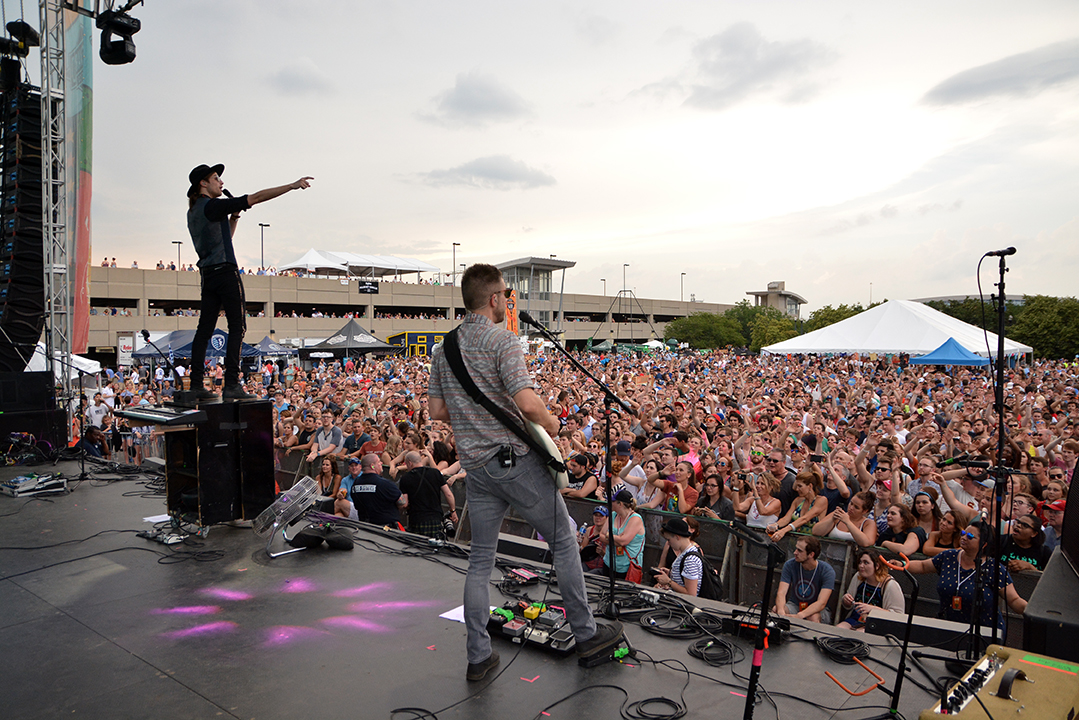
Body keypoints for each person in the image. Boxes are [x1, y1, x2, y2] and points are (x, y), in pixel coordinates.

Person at [427, 263, 623, 682]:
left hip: (477, 468)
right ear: (494, 298)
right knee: (564, 541)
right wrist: (553, 426)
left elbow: (437, 412)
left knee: (480, 559)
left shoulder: (443, 348)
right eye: (506, 295)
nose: (507, 301)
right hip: (513, 461)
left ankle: (478, 657)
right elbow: (529, 403)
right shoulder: (503, 339)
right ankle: (587, 635)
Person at [185, 163, 312, 400]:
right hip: (225, 272)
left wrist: (233, 218)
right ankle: (231, 383)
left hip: (208, 274)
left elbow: (223, 240)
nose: (221, 183)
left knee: (204, 330)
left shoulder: (194, 212)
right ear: (203, 183)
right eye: (216, 178)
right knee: (238, 326)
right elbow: (257, 197)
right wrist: (291, 186)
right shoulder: (214, 205)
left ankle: (195, 386)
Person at [906, 520, 1028, 632]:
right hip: (949, 626)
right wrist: (902, 565)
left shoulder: (994, 568)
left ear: (983, 544)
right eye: (963, 533)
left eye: (970, 536)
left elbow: (1013, 600)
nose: (963, 537)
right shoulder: (949, 556)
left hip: (984, 631)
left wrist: (1031, 611)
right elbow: (923, 566)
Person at [837, 547, 905, 631]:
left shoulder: (890, 585)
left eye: (866, 563)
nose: (861, 566)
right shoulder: (858, 577)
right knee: (839, 629)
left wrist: (873, 609)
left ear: (877, 566)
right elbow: (848, 604)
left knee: (859, 634)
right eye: (860, 562)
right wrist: (846, 600)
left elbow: (898, 615)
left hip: (877, 624)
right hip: (857, 619)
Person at [774, 535, 835, 624]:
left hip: (817, 610)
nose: (795, 552)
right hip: (795, 605)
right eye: (796, 549)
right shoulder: (790, 565)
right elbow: (781, 593)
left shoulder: (826, 570)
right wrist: (781, 612)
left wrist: (801, 615)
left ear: (811, 554)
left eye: (799, 550)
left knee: (812, 617)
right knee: (776, 609)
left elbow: (821, 603)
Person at [397, 450, 457, 538]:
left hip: (417, 519)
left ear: (410, 463)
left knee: (418, 547)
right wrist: (453, 510)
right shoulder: (435, 473)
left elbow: (404, 504)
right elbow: (448, 494)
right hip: (436, 517)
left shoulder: (405, 478)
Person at [336, 453, 405, 526]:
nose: (381, 463)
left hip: (366, 528)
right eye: (378, 462)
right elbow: (402, 502)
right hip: (386, 529)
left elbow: (357, 505)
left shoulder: (355, 485)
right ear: (372, 466)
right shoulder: (385, 484)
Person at [592, 489, 645, 580]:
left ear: (620, 504)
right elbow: (601, 535)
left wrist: (608, 536)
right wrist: (616, 540)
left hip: (626, 567)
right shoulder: (613, 515)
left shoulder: (635, 519)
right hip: (609, 562)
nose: (610, 503)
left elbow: (624, 541)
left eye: (613, 501)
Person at [652, 517, 701, 596]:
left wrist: (668, 582)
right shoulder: (684, 553)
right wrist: (671, 573)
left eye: (669, 540)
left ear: (677, 537)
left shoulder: (690, 559)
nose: (668, 543)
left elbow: (691, 594)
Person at [813, 490, 878, 547]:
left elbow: (866, 543)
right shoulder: (838, 515)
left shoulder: (868, 523)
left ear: (864, 511)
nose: (851, 508)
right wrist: (832, 519)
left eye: (856, 507)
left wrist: (848, 522)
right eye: (851, 503)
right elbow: (816, 531)